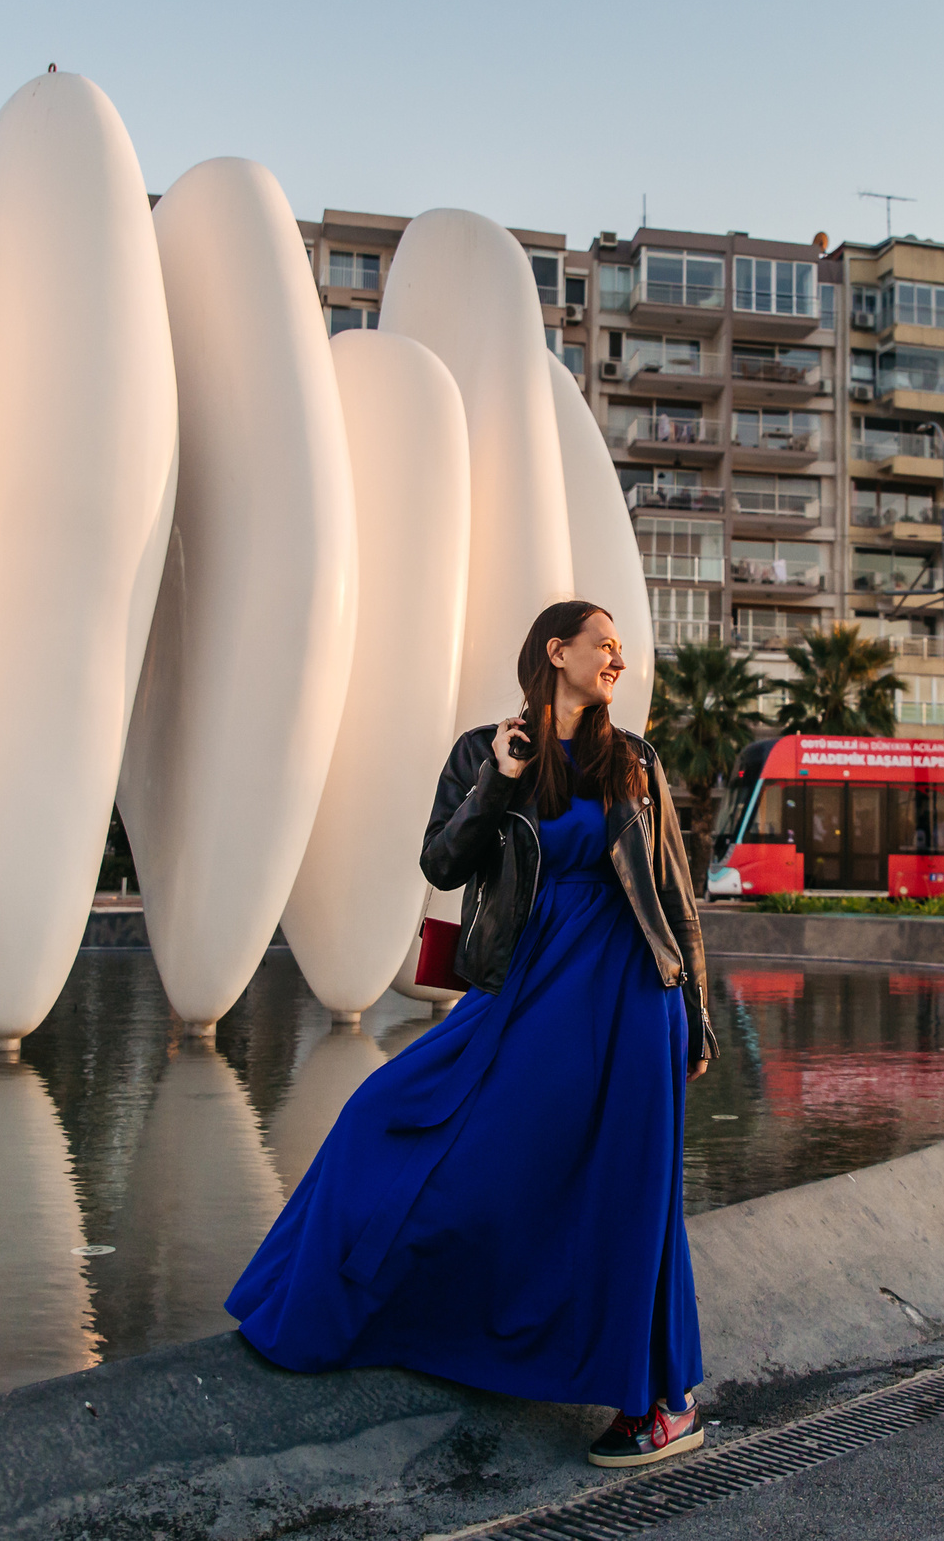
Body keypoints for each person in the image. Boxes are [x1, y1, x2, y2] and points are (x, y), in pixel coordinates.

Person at [227, 600, 716, 1469]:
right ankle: (359, 1307)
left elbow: (673, 894)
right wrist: (498, 777)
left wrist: (699, 1013)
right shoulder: (486, 750)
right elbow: (442, 863)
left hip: (634, 994)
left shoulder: (634, 761)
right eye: (603, 644)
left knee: (628, 1189)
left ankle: (663, 1403)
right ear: (555, 651)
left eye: (620, 649)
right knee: (386, 1115)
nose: (617, 659)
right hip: (528, 986)